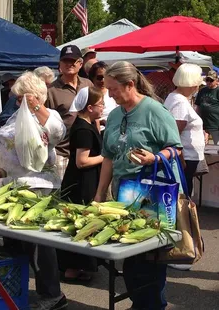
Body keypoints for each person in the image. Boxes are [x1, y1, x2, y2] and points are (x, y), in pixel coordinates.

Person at [0, 72, 67, 310]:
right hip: (13, 185)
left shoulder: (47, 115)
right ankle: (15, 288)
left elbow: (58, 132)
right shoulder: (17, 114)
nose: (16, 100)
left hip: (39, 187)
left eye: (20, 96)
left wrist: (37, 107)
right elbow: (2, 140)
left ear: (34, 96)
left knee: (40, 246)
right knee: (14, 243)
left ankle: (53, 295)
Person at [94, 61, 182, 310]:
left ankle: (152, 305)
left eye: (112, 88)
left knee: (151, 258)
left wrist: (154, 157)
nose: (108, 94)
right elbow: (109, 156)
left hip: (152, 196)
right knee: (130, 255)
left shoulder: (155, 110)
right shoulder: (113, 115)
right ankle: (140, 302)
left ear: (130, 84)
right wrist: (100, 192)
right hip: (123, 196)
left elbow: (175, 148)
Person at [58, 86, 104, 281]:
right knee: (79, 221)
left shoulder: (84, 124)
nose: (103, 108)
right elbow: (82, 161)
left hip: (80, 180)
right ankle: (73, 268)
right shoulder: (84, 129)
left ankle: (74, 266)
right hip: (82, 182)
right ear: (91, 107)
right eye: (101, 104)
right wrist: (105, 157)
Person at [46, 45, 93, 180]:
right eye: (65, 60)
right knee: (62, 195)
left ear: (80, 63)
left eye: (73, 61)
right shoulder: (51, 91)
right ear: (60, 64)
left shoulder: (88, 85)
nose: (69, 64)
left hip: (86, 151)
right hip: (62, 153)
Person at [164, 63, 205, 197]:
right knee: (184, 193)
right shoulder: (179, 101)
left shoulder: (176, 98)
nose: (196, 87)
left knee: (183, 190)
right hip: (185, 156)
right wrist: (180, 157)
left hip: (185, 155)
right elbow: (175, 132)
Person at [88, 61, 118, 134]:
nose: (103, 81)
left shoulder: (114, 93)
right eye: (99, 77)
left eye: (106, 77)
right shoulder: (88, 94)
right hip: (94, 132)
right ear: (92, 78)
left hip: (113, 131)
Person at [195, 70, 219, 144]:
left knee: (216, 146)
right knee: (203, 146)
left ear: (216, 80)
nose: (208, 82)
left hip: (216, 124)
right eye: (207, 80)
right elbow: (198, 106)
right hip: (203, 124)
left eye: (211, 80)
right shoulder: (202, 90)